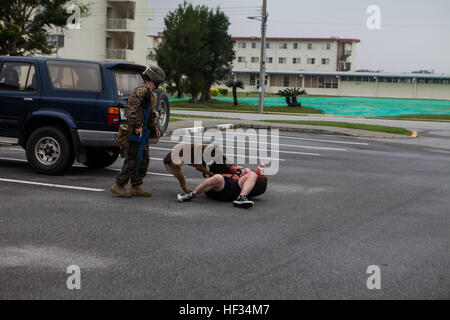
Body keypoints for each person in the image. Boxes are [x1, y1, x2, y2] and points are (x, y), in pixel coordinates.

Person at [110, 66, 165, 198]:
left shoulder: (152, 93)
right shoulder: (141, 91)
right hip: (136, 131)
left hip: (144, 132)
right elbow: (131, 109)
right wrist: (137, 125)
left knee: (143, 160)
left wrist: (155, 127)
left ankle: (136, 186)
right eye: (159, 81)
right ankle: (118, 185)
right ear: (154, 79)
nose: (160, 84)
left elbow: (151, 114)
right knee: (132, 160)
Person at [177, 163, 268, 209]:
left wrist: (256, 171)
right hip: (221, 187)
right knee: (218, 178)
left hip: (236, 189)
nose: (245, 171)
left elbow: (261, 181)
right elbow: (226, 166)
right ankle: (192, 194)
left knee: (253, 174)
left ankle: (241, 198)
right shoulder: (223, 170)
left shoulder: (250, 182)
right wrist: (237, 170)